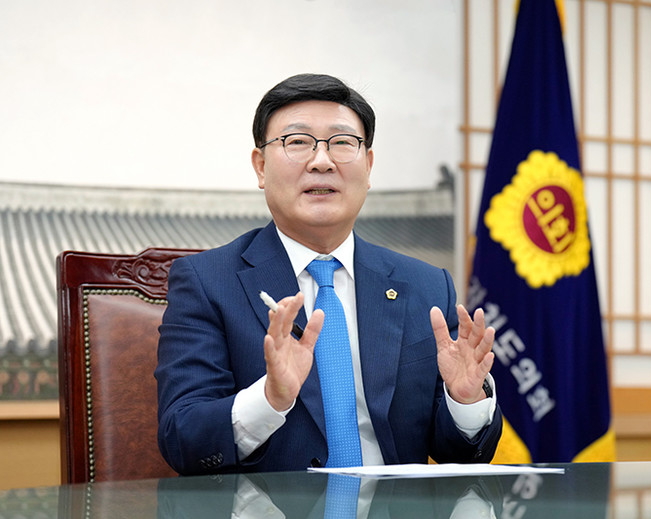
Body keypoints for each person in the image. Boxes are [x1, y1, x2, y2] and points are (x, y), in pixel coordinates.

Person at [155, 73, 502, 475]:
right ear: (261, 166)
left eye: (342, 143)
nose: (322, 161)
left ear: (368, 166)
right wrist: (269, 399)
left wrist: (465, 402)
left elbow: (460, 456)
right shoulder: (207, 282)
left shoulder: (425, 286)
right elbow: (182, 438)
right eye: (297, 142)